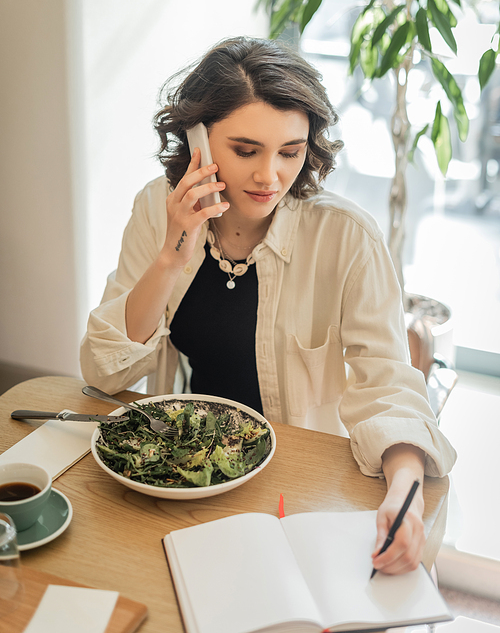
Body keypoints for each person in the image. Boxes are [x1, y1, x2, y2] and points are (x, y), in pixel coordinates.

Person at [81, 36, 456, 575]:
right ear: (198, 140)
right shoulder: (155, 208)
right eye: (245, 149)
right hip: (195, 470)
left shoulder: (347, 237)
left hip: (300, 486)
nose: (269, 176)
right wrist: (171, 253)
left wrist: (405, 493)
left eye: (291, 151)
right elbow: (104, 369)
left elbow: (388, 385)